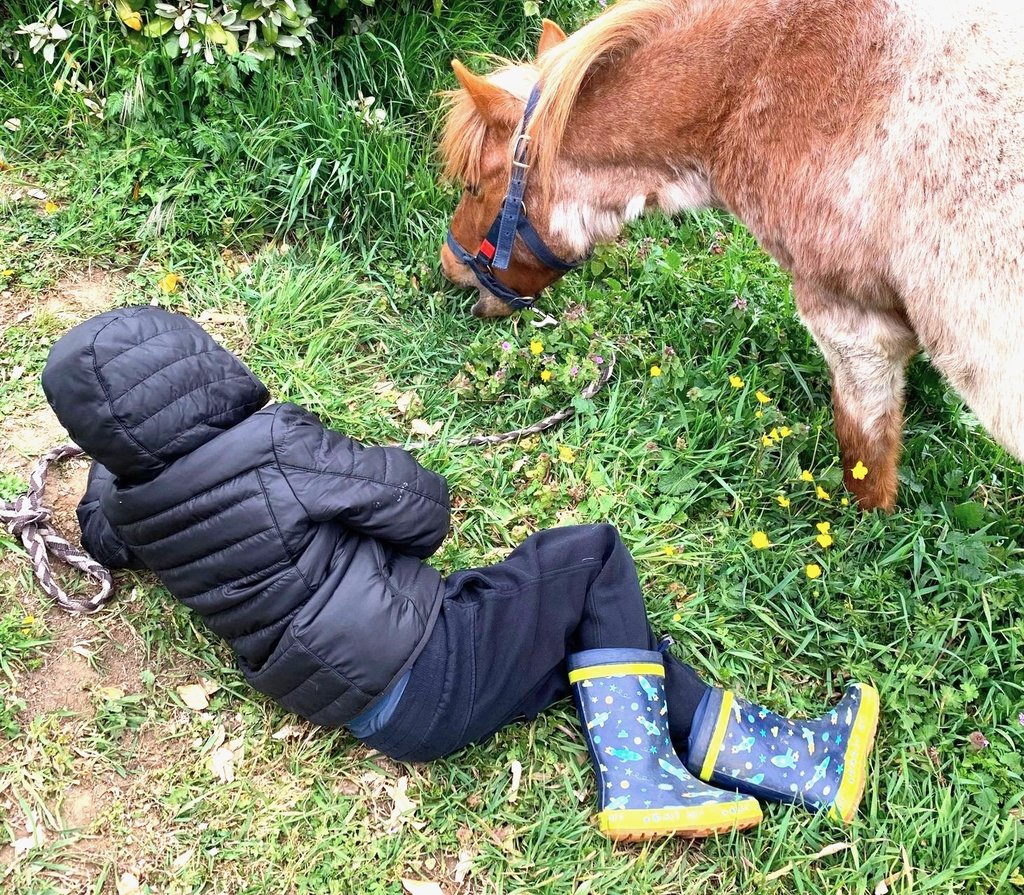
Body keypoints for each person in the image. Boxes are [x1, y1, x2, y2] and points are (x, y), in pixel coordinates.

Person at [42, 306, 879, 842]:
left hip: (377, 711)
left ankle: (794, 761)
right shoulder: (275, 448)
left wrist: (122, 466)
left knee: (599, 644)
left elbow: (100, 531)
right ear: (200, 361)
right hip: (429, 661)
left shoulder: (134, 511)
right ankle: (642, 783)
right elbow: (423, 515)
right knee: (589, 560)